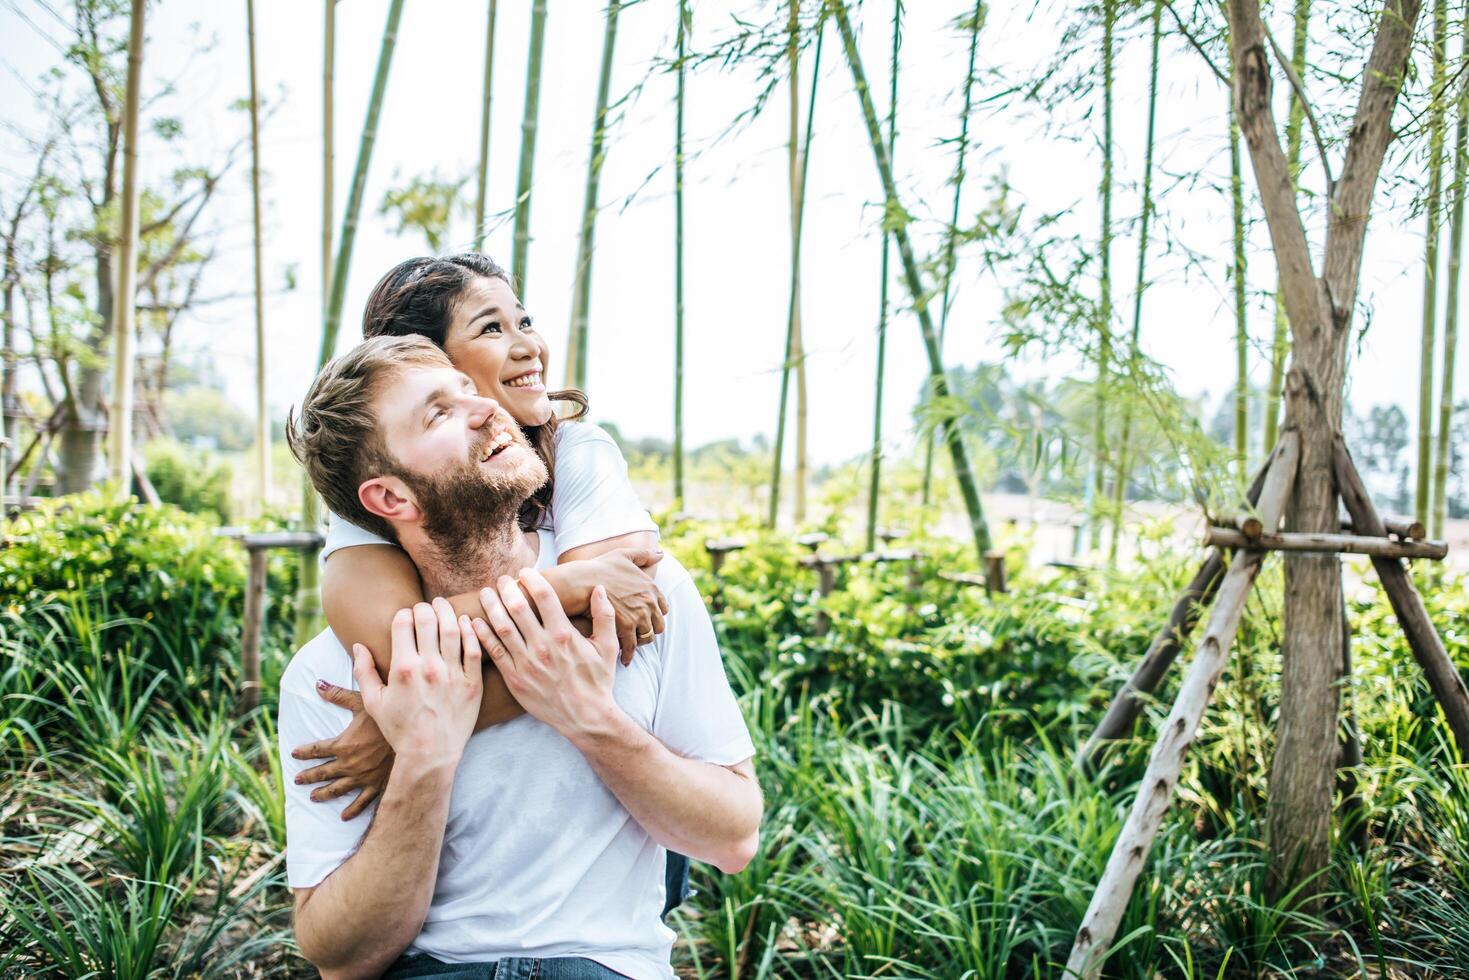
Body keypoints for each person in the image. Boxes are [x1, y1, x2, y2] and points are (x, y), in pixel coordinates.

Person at [279, 335, 762, 979]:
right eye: (439, 414)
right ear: (391, 499)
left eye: (468, 391)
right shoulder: (333, 676)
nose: (484, 407)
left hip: (608, 966)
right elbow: (339, 958)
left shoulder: (638, 591)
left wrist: (593, 719)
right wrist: (424, 758)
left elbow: (732, 839)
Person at [289, 253, 695, 915]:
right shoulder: (380, 487)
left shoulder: (577, 450)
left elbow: (613, 619)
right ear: (423, 361)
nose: (527, 345)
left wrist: (402, 732)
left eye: (524, 320)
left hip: (620, 807)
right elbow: (397, 643)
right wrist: (565, 586)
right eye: (490, 329)